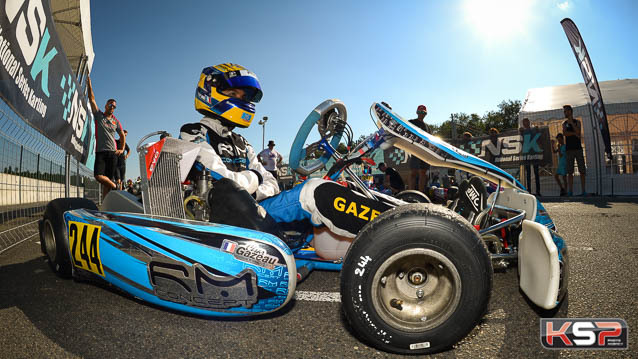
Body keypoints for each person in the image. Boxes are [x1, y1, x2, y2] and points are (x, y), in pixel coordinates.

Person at [180, 63, 390, 242]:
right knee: (313, 192)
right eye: (234, 94)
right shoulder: (194, 132)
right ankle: (394, 231)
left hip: (256, 211)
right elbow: (223, 181)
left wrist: (252, 188)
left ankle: (402, 215)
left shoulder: (242, 142)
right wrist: (254, 179)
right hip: (221, 220)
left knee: (341, 187)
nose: (241, 100)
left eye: (243, 96)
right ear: (210, 91)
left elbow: (271, 183)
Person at [86, 77, 125, 199]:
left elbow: (122, 135)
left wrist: (122, 148)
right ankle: (115, 187)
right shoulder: (99, 115)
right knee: (98, 176)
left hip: (112, 153)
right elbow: (91, 99)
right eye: (110, 104)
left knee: (106, 184)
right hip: (101, 152)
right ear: (106, 105)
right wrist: (89, 84)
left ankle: (105, 207)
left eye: (114, 106)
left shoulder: (116, 121)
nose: (112, 107)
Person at [562, 105, 587, 196]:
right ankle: (570, 191)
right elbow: (565, 133)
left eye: (566, 111)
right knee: (570, 172)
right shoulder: (564, 123)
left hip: (578, 149)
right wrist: (573, 133)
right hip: (569, 149)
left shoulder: (577, 122)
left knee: (582, 171)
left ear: (570, 112)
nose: (565, 113)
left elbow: (579, 132)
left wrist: (572, 123)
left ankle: (583, 190)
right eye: (564, 112)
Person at [408, 105, 432, 193]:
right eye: (420, 112)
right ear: (417, 112)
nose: (421, 114)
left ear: (426, 114)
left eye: (423, 112)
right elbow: (401, 127)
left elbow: (431, 140)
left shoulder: (428, 127)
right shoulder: (411, 122)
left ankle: (421, 194)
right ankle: (410, 194)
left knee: (423, 173)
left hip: (425, 151)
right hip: (415, 149)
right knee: (413, 172)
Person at [520, 118, 541, 196]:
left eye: (527, 122)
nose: (526, 123)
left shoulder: (534, 130)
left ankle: (538, 191)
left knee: (536, 173)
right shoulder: (522, 132)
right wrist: (520, 132)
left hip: (534, 154)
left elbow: (539, 138)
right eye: (524, 122)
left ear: (529, 122)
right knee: (528, 174)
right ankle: (529, 191)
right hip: (527, 155)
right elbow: (521, 140)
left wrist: (538, 130)